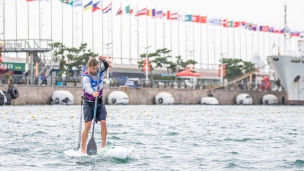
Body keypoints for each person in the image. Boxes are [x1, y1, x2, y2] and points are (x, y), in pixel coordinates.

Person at [81, 56, 109, 154]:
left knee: (103, 123)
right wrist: (93, 92)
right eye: (93, 68)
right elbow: (87, 87)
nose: (95, 70)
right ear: (88, 67)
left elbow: (106, 66)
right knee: (88, 125)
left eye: (96, 68)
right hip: (88, 103)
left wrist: (104, 61)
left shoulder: (99, 72)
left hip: (100, 102)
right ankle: (83, 149)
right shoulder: (86, 77)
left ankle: (103, 145)